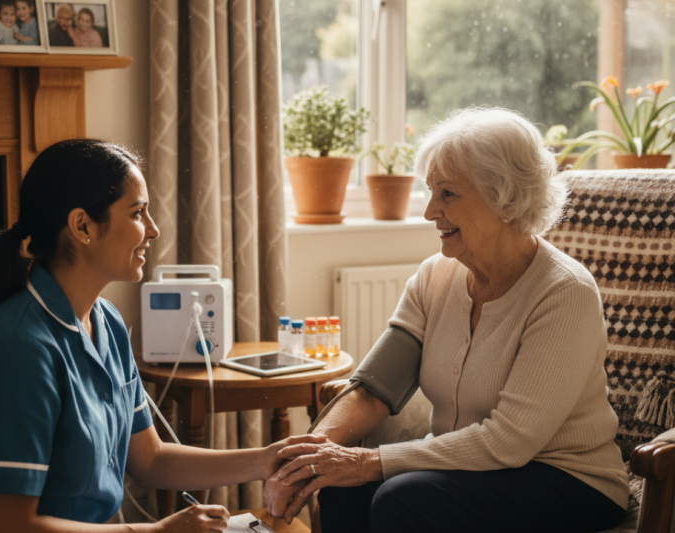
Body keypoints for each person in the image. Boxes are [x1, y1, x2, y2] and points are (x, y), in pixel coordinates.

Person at [264, 108, 631, 532]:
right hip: (471, 466)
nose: (429, 212)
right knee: (339, 485)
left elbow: (508, 442)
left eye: (449, 194)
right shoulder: (434, 276)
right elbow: (373, 390)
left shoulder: (564, 292)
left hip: (568, 479)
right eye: (430, 192)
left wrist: (369, 462)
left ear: (506, 199)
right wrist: (309, 460)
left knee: (403, 500)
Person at [0, 139, 325, 533]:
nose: (153, 230)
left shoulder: (106, 321)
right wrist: (157, 532)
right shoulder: (16, 351)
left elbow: (149, 459)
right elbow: (9, 527)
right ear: (82, 226)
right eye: (138, 212)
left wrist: (263, 460)